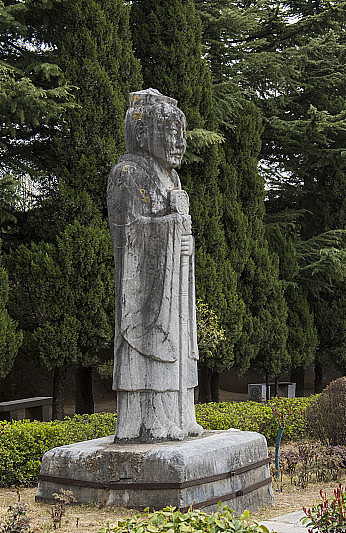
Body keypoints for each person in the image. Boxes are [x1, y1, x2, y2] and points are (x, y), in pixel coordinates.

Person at [107, 89, 202, 442]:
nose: (180, 142)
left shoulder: (172, 179)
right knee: (151, 346)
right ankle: (150, 419)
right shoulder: (127, 173)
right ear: (144, 133)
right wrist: (172, 228)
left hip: (174, 280)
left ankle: (181, 411)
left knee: (179, 341)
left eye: (182, 133)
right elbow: (129, 232)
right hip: (147, 290)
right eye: (172, 132)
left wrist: (185, 243)